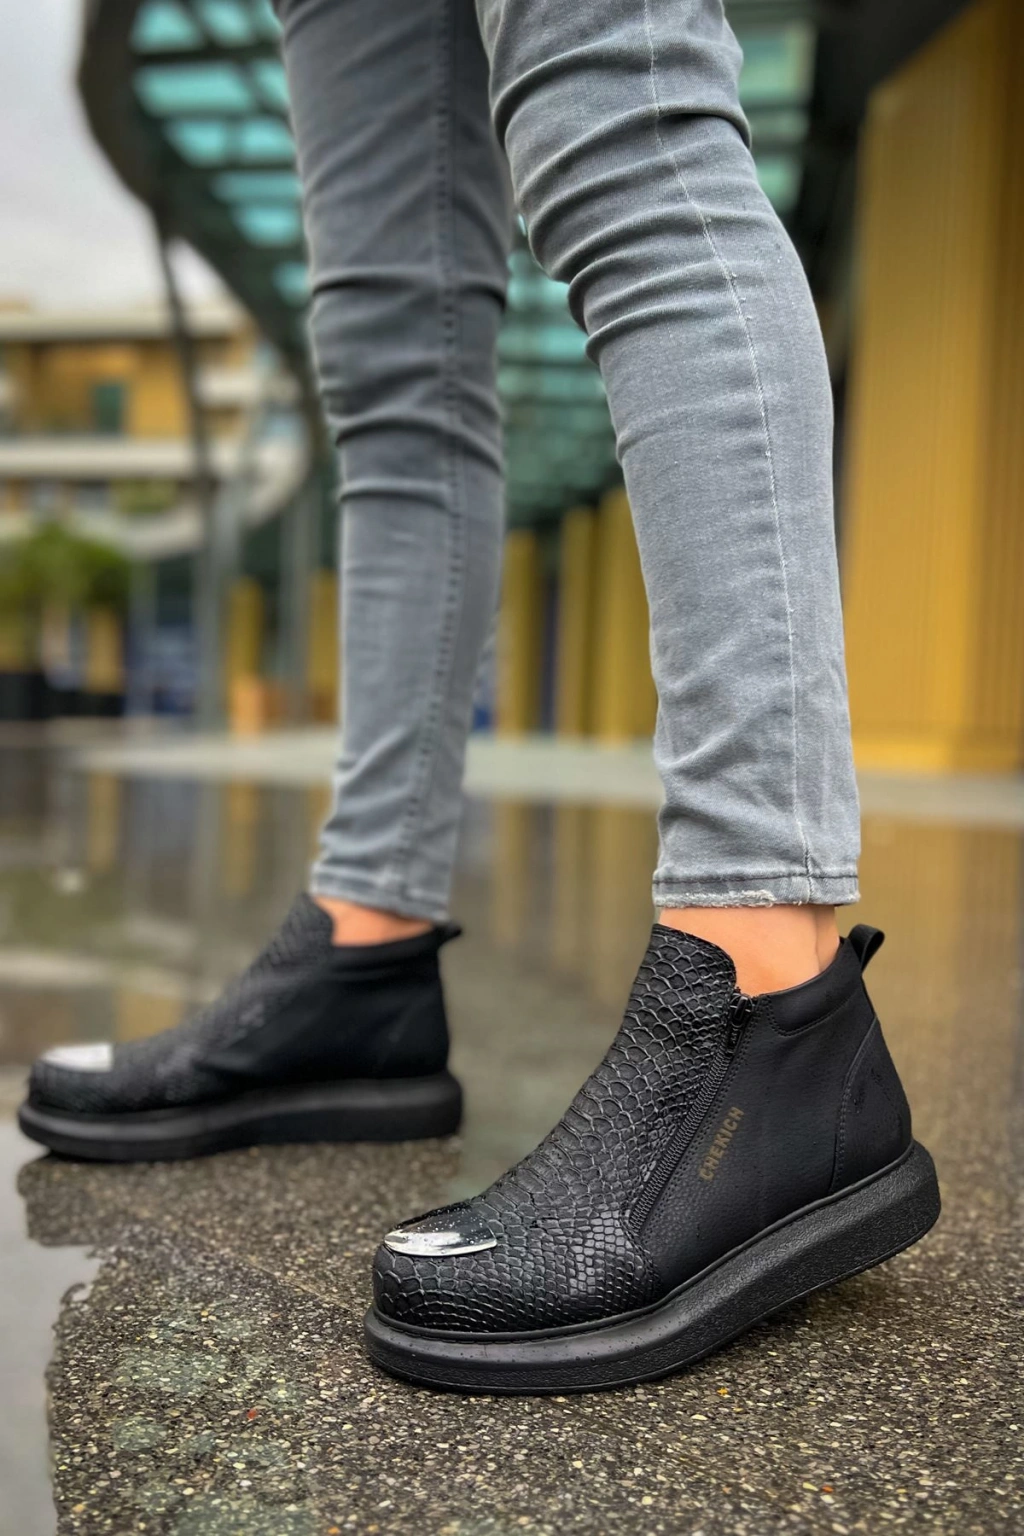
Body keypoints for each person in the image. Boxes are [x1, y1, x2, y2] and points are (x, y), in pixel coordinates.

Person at [20, 0, 939, 1392]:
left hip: (762, 998)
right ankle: (364, 955)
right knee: (389, 360)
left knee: (624, 131)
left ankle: (768, 979)